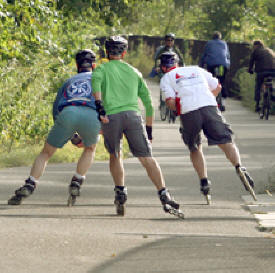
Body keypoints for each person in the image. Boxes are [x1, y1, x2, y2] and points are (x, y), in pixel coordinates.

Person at [91, 36, 182, 217]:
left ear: (107, 53)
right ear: (124, 53)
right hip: (133, 116)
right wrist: (148, 131)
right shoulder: (134, 72)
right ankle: (163, 192)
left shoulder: (101, 69)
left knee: (115, 154)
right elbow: (148, 104)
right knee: (146, 157)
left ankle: (120, 191)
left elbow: (95, 85)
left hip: (111, 116)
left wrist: (100, 105)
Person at [8, 49, 101, 206]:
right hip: (91, 115)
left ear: (77, 65)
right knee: (90, 148)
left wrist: (71, 135)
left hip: (68, 112)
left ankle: (30, 184)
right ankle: (77, 181)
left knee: (46, 153)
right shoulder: (100, 80)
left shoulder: (69, 81)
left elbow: (56, 109)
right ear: (94, 65)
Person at [160, 51, 255, 202]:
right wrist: (206, 96)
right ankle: (239, 167)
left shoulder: (166, 78)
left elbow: (171, 104)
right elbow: (218, 86)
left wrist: (181, 106)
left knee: (195, 146)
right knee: (226, 140)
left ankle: (204, 181)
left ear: (163, 67)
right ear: (178, 63)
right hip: (209, 105)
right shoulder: (197, 69)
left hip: (188, 111)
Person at [199, 31, 230, 111]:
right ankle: (223, 102)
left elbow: (204, 55)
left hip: (211, 64)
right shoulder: (224, 43)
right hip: (222, 65)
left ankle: (210, 100)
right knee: (222, 81)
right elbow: (227, 55)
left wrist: (201, 66)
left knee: (210, 81)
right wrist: (228, 66)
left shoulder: (209, 43)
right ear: (220, 37)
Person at [248, 40, 275, 112]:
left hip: (262, 71)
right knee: (271, 81)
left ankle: (257, 104)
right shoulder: (269, 50)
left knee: (258, 85)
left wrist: (250, 70)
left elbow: (251, 62)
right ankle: (272, 93)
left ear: (255, 45)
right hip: (273, 71)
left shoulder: (256, 51)